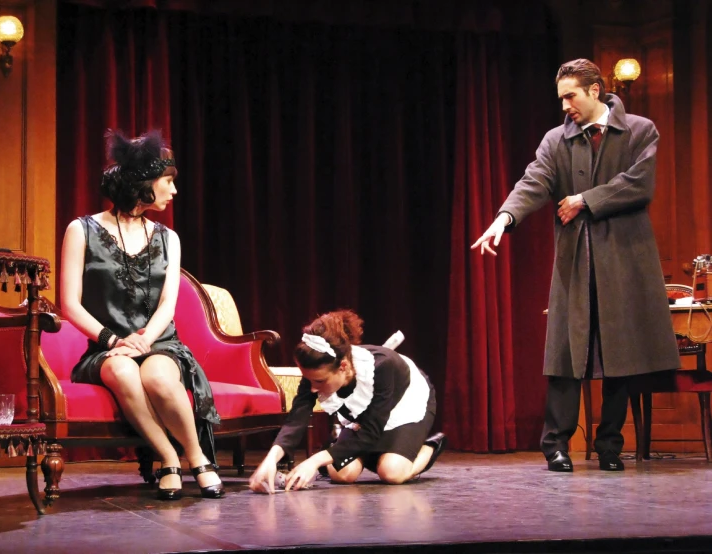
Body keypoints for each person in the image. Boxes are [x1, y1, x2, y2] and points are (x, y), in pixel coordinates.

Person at [471, 59, 680, 472]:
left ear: (596, 90)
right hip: (577, 258)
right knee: (567, 353)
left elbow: (640, 184)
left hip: (625, 258)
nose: (565, 105)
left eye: (571, 96)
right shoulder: (556, 140)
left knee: (622, 354)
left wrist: (585, 199)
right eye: (561, 97)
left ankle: (609, 445)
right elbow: (534, 181)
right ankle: (556, 445)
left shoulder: (639, 130)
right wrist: (504, 218)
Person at [60, 129, 225, 500]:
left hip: (160, 342)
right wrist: (116, 341)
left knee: (160, 378)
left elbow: (168, 302)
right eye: (169, 181)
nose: (174, 190)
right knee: (121, 369)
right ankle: (169, 458)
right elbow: (70, 303)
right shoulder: (81, 230)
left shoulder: (169, 238)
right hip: (108, 348)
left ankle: (198, 457)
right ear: (145, 184)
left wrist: (144, 341)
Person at [249, 309, 447, 493]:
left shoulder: (383, 366)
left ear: (343, 366)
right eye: (309, 380)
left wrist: (314, 461)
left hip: (404, 404)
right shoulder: (316, 371)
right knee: (342, 474)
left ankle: (430, 446)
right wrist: (270, 460)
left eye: (319, 381)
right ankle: (364, 449)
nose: (313, 388)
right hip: (368, 417)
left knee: (391, 472)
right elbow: (296, 419)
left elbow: (371, 430)